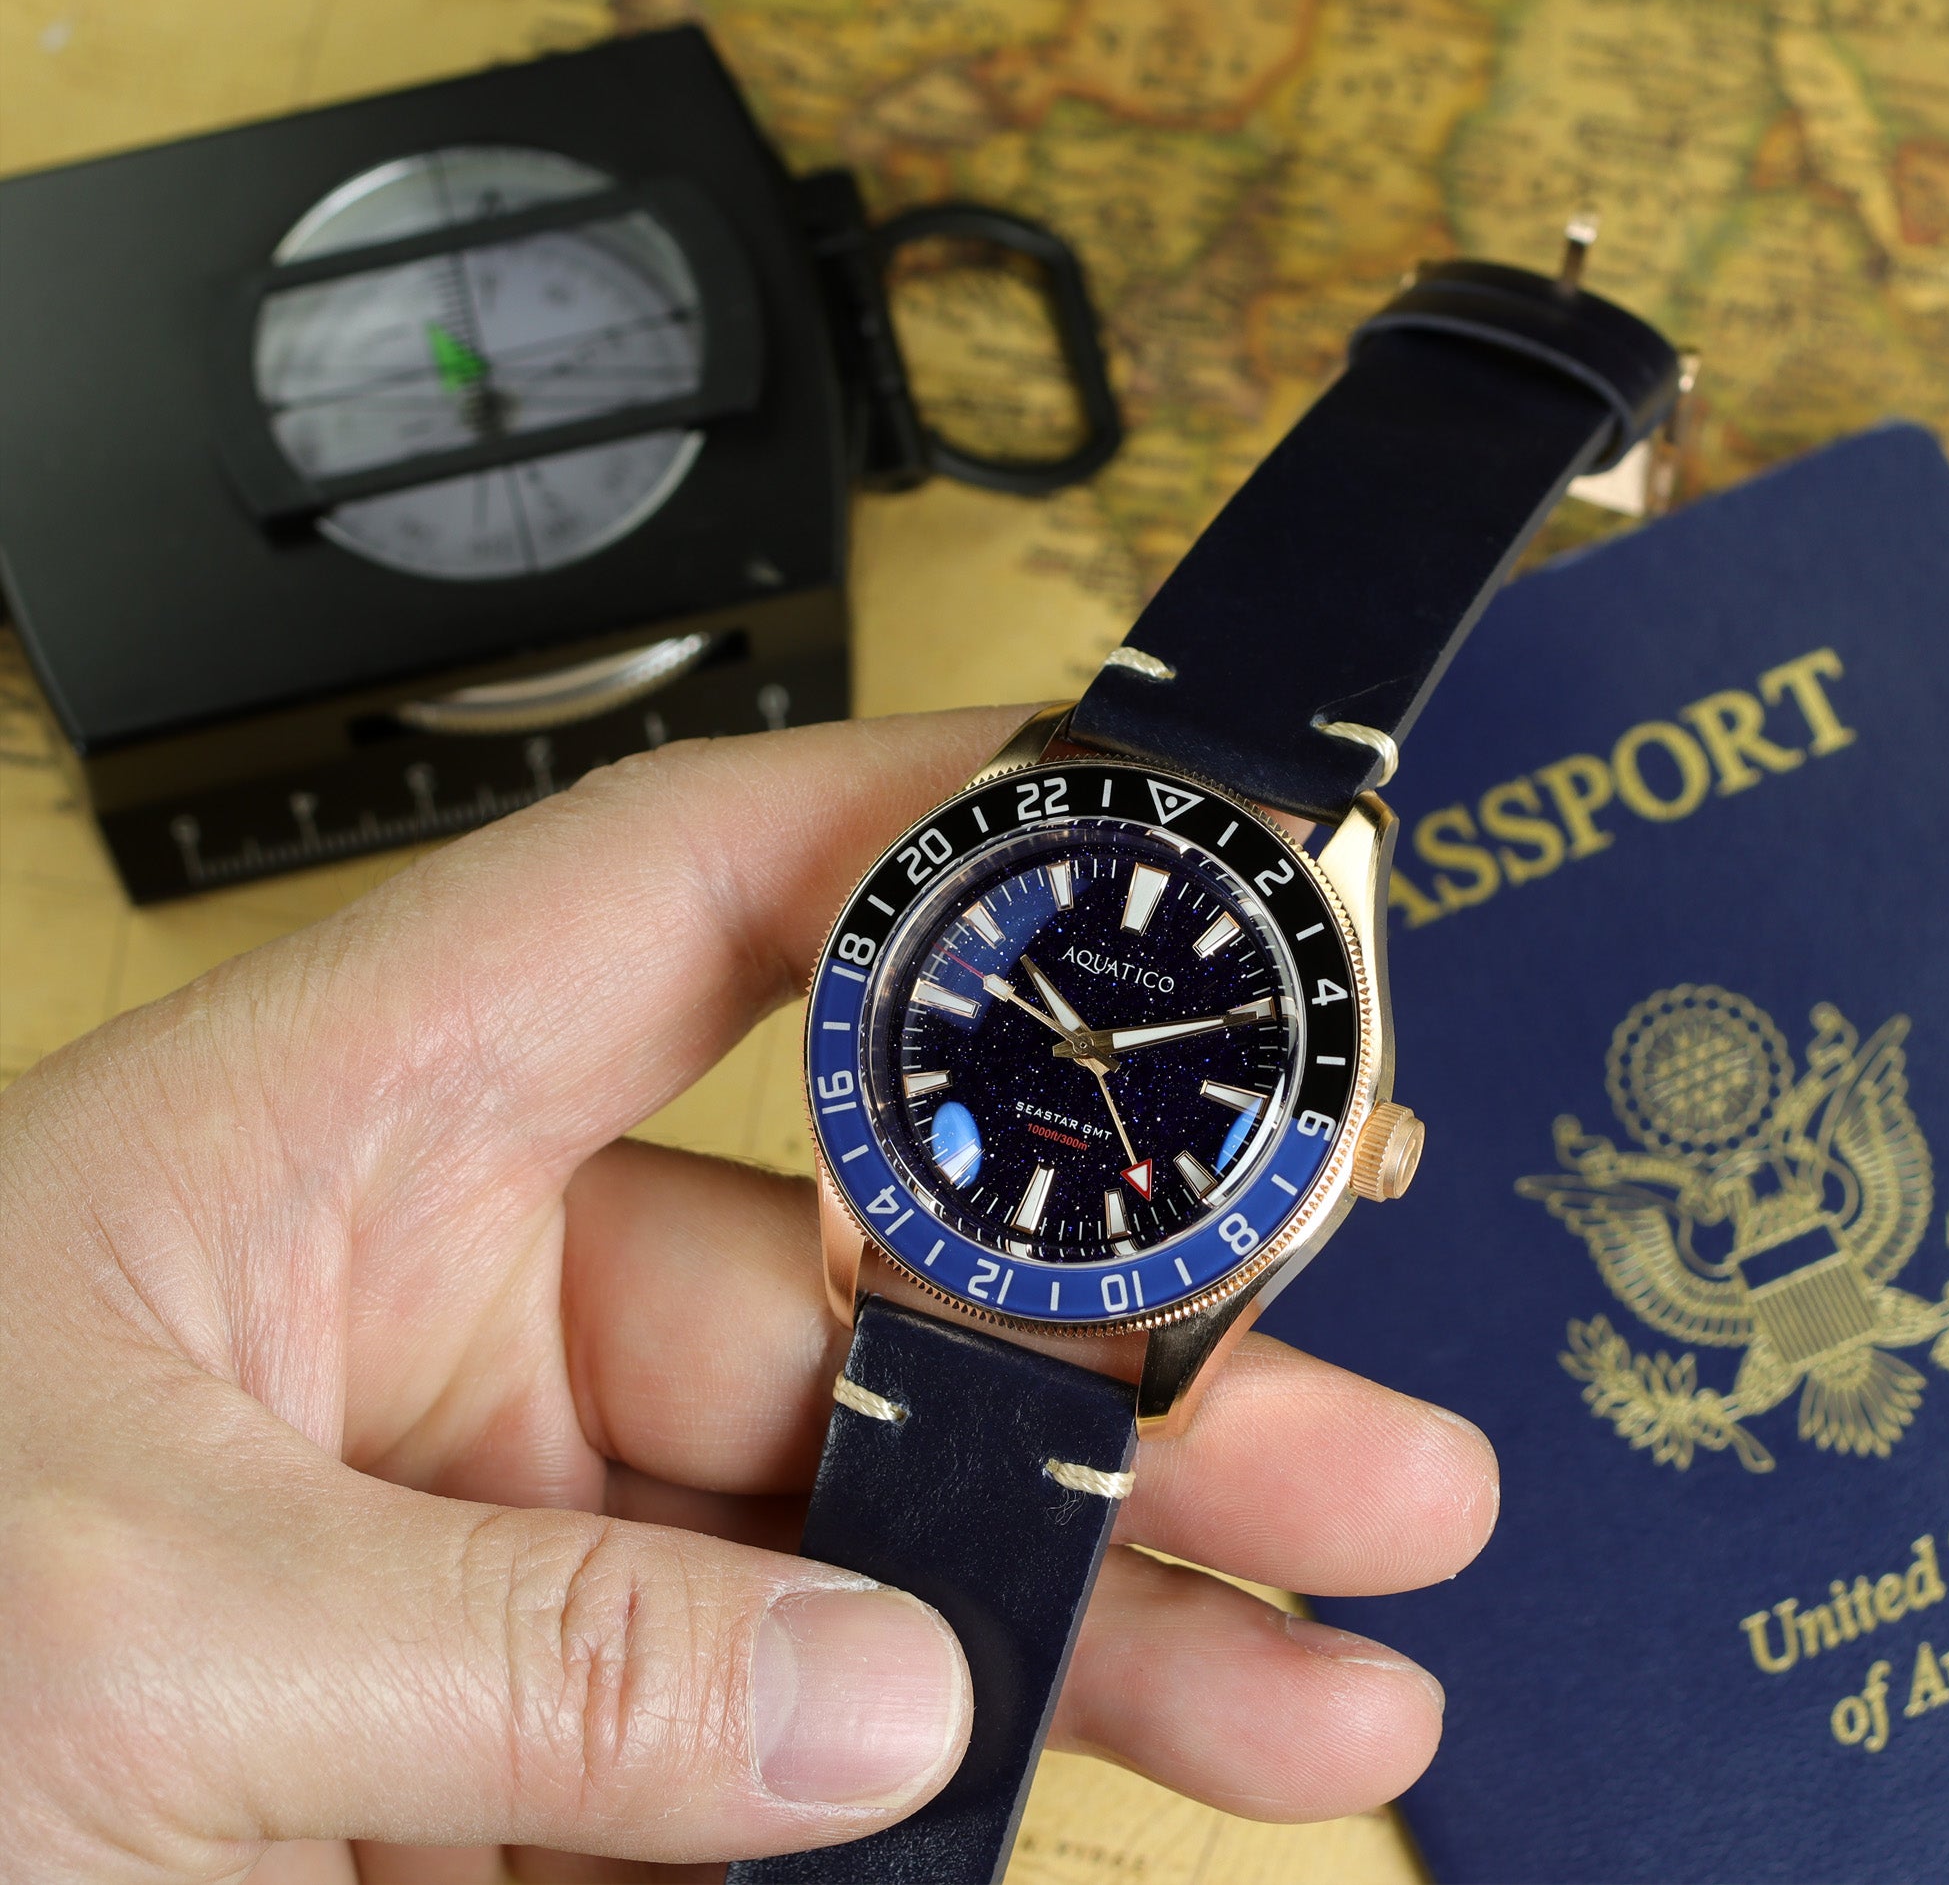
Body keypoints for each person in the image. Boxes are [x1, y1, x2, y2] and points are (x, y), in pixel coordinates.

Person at [0, 710, 1498, 1882]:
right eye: (1071, 1029)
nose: (1090, 1053)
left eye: (1112, 1048)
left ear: (1358, 1150)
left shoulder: (1315, 894)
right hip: (918, 1249)